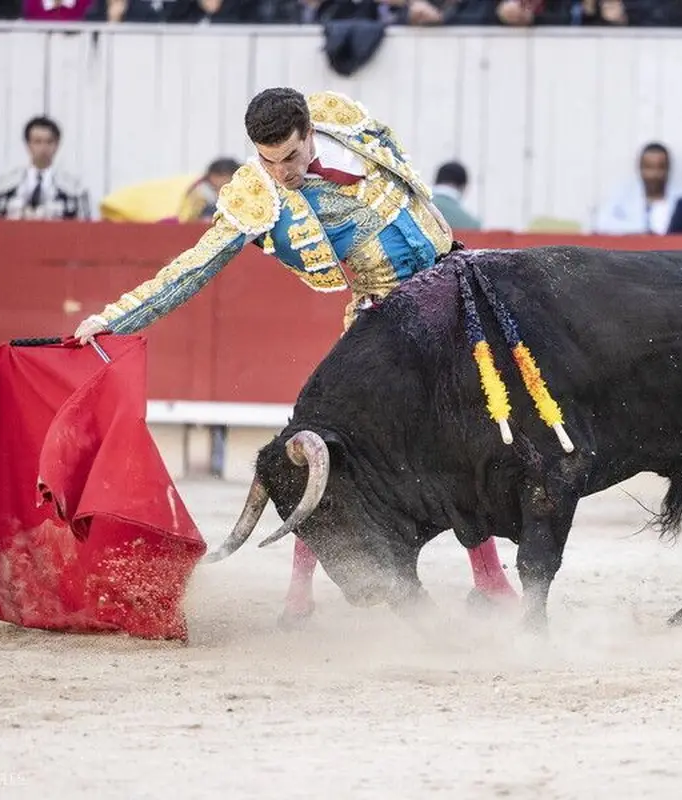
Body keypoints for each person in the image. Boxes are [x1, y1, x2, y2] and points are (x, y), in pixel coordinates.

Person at [73, 87, 519, 626]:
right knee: (331, 452)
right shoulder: (257, 195)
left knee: (476, 437)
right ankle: (299, 591)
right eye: (268, 159)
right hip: (387, 326)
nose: (281, 171)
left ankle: (490, 581)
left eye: (289, 156)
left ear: (310, 132)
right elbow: (192, 268)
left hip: (454, 292)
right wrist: (115, 320)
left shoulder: (342, 121)